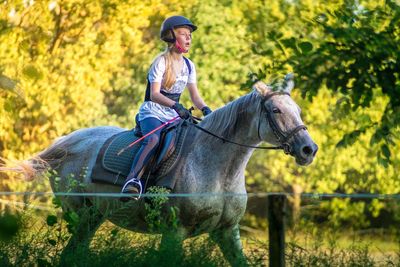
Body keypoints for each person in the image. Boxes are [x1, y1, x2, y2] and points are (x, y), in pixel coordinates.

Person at [121, 15, 212, 200]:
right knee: (153, 139)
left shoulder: (189, 65)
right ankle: (132, 181)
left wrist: (206, 110)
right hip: (152, 111)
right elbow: (154, 94)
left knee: (186, 140)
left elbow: (194, 95)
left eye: (190, 36)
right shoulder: (161, 62)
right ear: (171, 36)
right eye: (184, 34)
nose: (189, 38)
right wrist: (176, 106)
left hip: (173, 113)